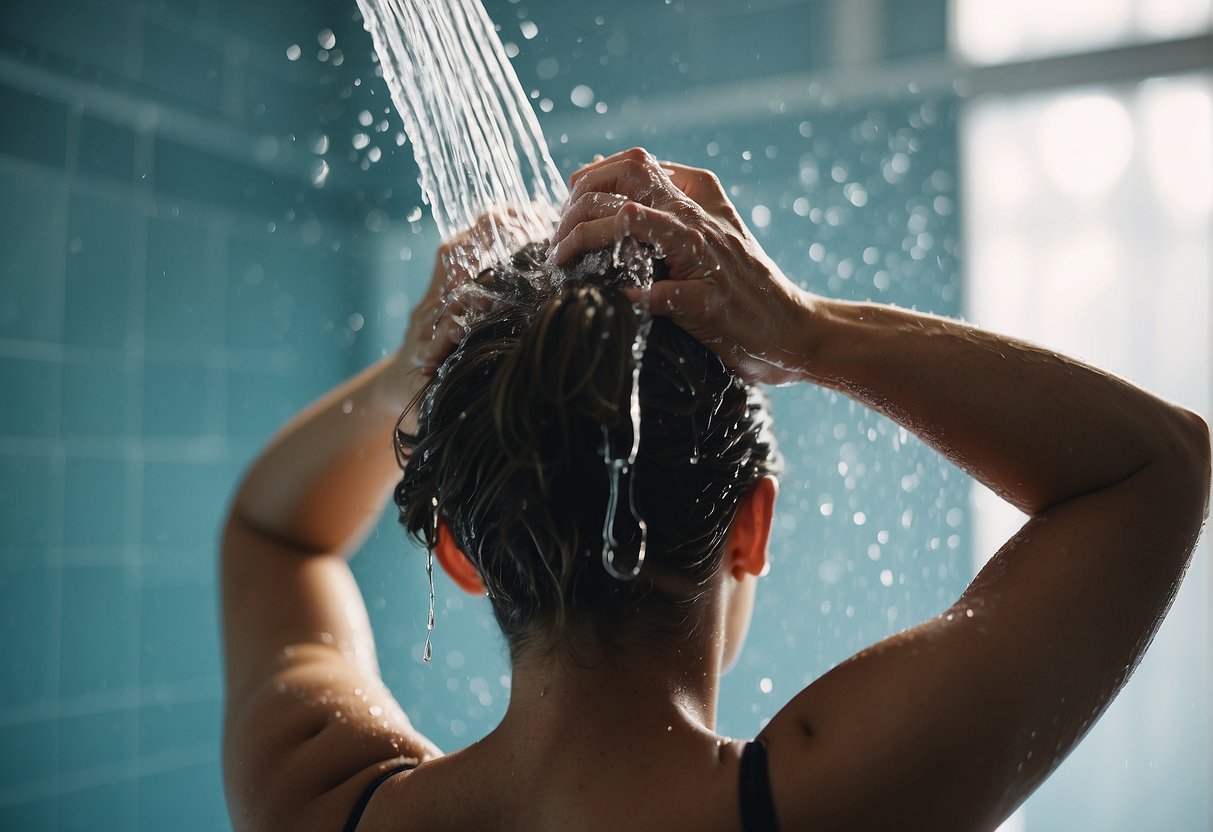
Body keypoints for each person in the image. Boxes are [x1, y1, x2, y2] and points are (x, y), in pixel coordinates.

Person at [220, 147, 1210, 831]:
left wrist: (410, 370)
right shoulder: (829, 805)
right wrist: (803, 330)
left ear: (460, 553)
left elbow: (274, 534)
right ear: (750, 525)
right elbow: (1151, 464)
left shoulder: (329, 802)